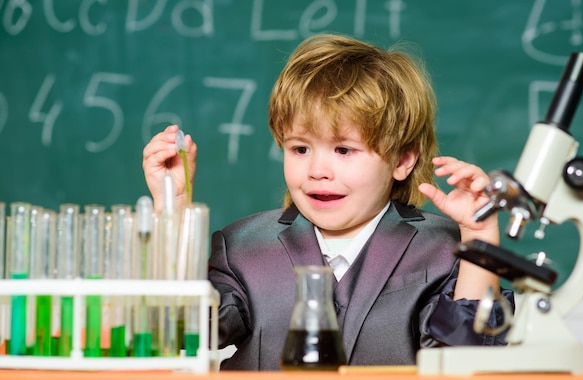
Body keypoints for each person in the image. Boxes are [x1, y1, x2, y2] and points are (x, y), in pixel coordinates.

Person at [142, 33, 514, 370]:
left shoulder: (448, 250)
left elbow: (467, 357)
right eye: (300, 148)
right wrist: (171, 211)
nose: (318, 170)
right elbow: (178, 336)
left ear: (402, 160)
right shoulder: (241, 248)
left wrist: (479, 239)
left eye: (344, 150)